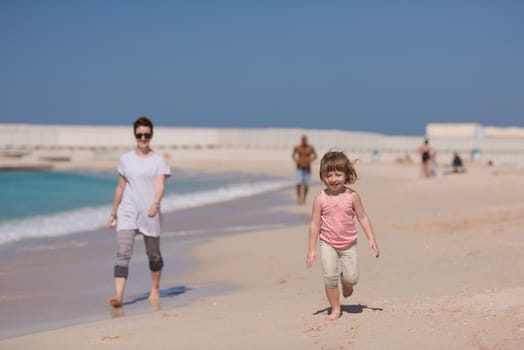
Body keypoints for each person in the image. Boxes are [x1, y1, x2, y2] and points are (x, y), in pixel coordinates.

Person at [306, 150, 379, 321]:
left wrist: (371, 238)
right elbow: (314, 225)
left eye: (338, 174)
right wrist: (312, 250)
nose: (333, 179)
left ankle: (346, 285)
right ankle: (336, 309)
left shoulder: (352, 196)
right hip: (327, 243)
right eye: (328, 175)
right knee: (329, 277)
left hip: (349, 244)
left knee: (352, 278)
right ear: (323, 176)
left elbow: (362, 217)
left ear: (346, 175)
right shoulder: (320, 199)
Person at [107, 116, 171, 308]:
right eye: (139, 135)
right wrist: (113, 213)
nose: (143, 138)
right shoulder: (125, 159)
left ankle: (155, 288)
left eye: (147, 135)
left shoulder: (159, 160)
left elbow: (160, 186)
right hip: (128, 211)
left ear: (151, 135)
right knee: (123, 253)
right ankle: (118, 296)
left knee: (154, 254)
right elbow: (120, 187)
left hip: (150, 211)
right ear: (134, 135)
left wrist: (156, 204)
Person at [292, 135, 317, 204]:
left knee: (306, 184)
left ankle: (304, 198)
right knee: (298, 183)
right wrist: (296, 160)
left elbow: (315, 155)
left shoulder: (310, 148)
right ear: (301, 140)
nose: (304, 141)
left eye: (305, 140)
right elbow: (293, 155)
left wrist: (310, 160)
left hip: (307, 168)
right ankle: (299, 198)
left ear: (306, 140)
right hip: (299, 168)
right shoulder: (297, 147)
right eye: (303, 140)